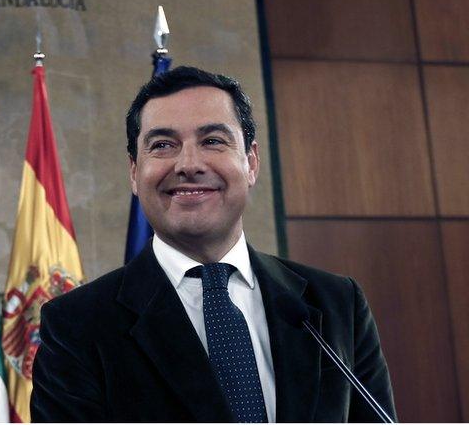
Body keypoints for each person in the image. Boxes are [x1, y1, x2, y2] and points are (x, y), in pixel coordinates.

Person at [31, 66, 396, 422]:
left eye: (212, 141)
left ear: (251, 162)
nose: (189, 164)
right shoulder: (76, 325)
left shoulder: (336, 304)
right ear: (133, 172)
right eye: (162, 145)